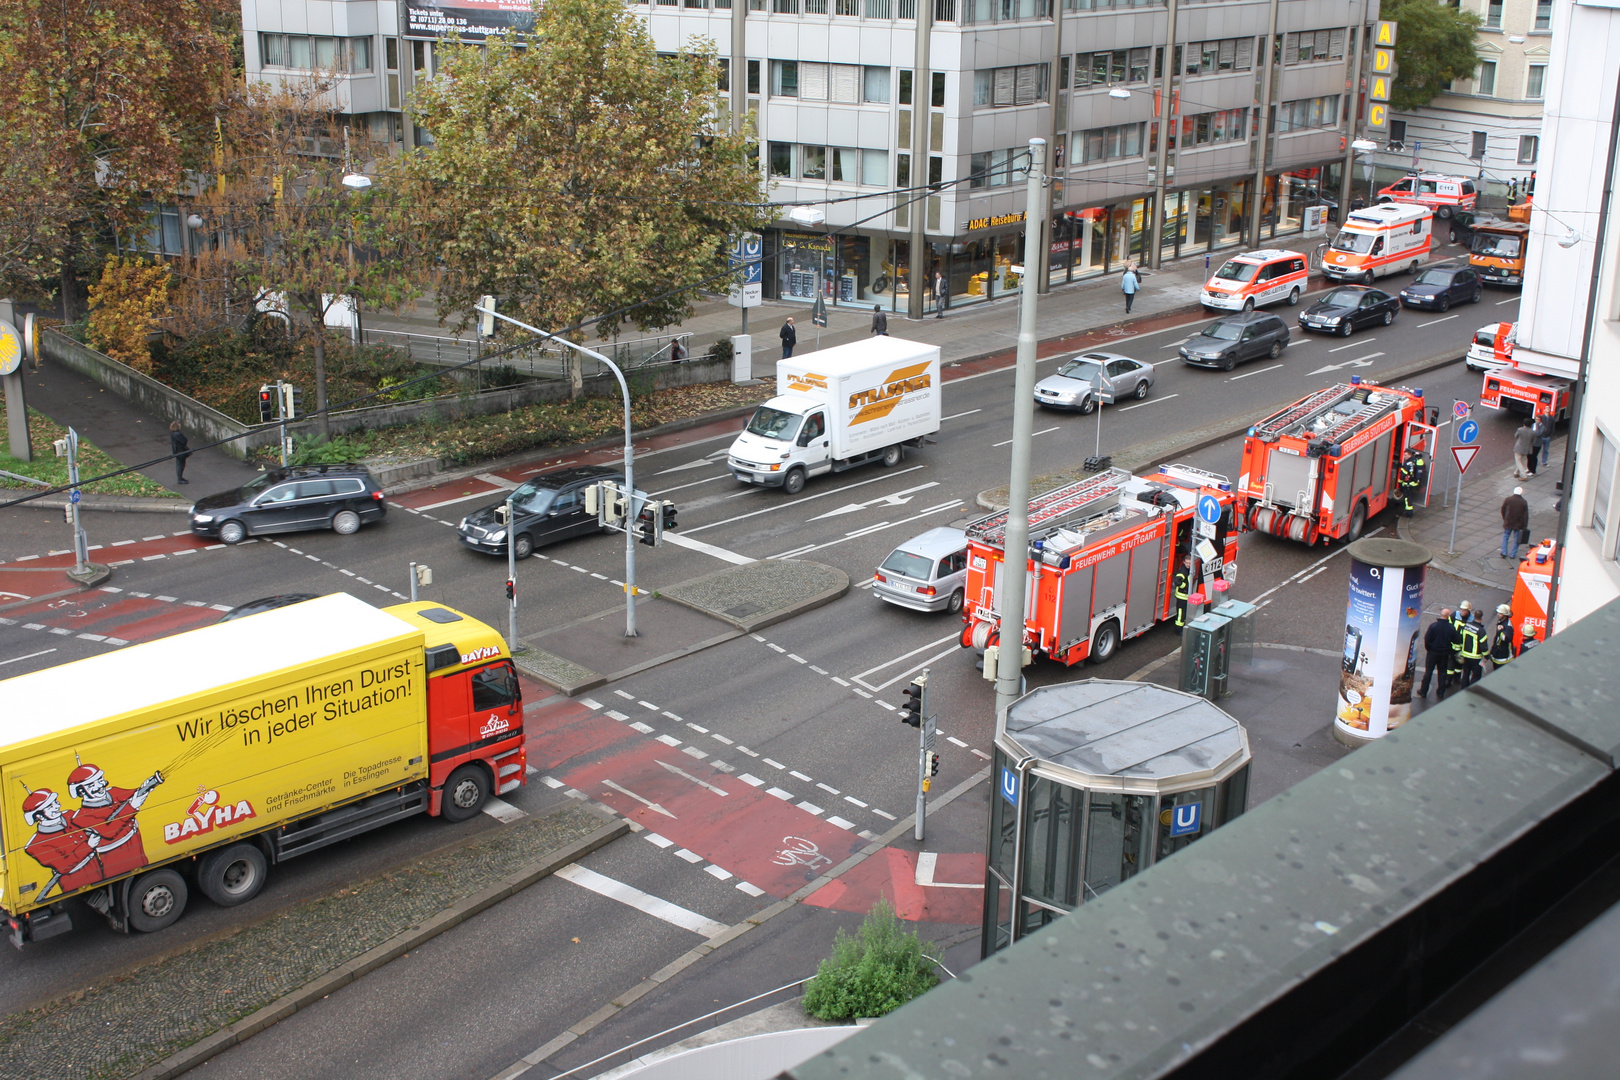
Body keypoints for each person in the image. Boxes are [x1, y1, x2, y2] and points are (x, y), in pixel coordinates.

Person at [1419, 608, 1455, 697]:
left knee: (1428, 672)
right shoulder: (1451, 627)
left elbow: (1427, 639)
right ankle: (1441, 692)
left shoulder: (1433, 626)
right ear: (1448, 616)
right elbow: (1456, 640)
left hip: (1433, 652)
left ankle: (1423, 691)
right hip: (1444, 653)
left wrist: (1429, 649)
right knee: (1442, 672)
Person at [1458, 610, 1487, 688]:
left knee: (1465, 674)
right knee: (1476, 676)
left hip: (1465, 655)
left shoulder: (1466, 626)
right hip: (1476, 657)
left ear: (1474, 615)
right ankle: (1471, 692)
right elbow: (1484, 646)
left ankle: (1463, 690)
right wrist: (1487, 656)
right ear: (1482, 618)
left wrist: (1461, 650)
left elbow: (1460, 638)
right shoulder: (1481, 631)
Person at [1500, 486, 1529, 560]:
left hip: (1508, 522)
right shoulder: (1523, 502)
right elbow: (1525, 516)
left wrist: (1505, 518)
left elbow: (1503, 509)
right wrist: (1525, 526)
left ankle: (1504, 552)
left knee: (1506, 536)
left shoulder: (1508, 500)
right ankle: (1512, 554)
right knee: (1517, 538)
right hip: (1518, 524)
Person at [1489, 604, 1516, 668]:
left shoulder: (1508, 627)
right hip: (1498, 651)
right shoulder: (1501, 621)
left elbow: (1508, 639)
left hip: (1504, 655)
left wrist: (1500, 632)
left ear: (1505, 615)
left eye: (1500, 613)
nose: (1498, 614)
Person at [1173, 553, 1192, 632]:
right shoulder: (1183, 571)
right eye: (1187, 563)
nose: (1188, 564)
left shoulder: (1188, 570)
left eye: (1189, 563)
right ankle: (1178, 630)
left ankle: (1181, 627)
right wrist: (1184, 586)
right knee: (1180, 613)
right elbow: (1177, 581)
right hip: (1181, 596)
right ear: (1184, 562)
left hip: (1185, 596)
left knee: (1183, 613)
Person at [169, 420, 191, 485]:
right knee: (180, 465)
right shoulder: (177, 434)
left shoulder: (173, 433)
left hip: (177, 451)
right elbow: (184, 441)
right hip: (180, 451)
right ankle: (180, 479)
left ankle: (180, 478)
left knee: (179, 464)